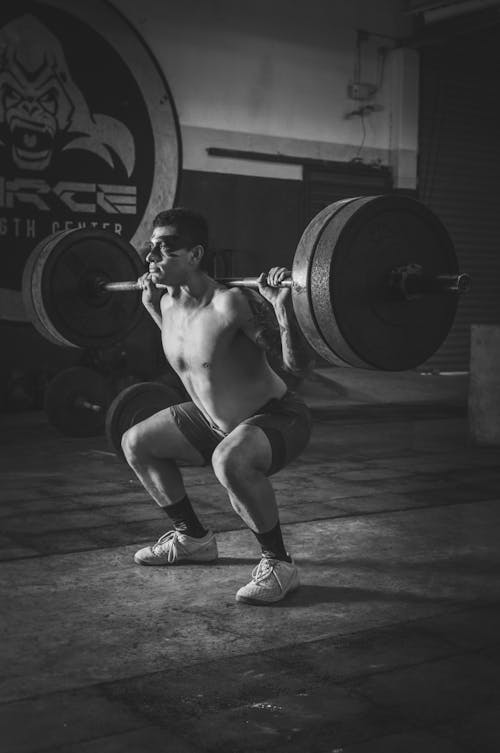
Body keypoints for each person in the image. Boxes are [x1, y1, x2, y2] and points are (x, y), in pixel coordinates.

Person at [122, 207, 314, 604]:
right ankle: (192, 539)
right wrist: (151, 308)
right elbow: (192, 356)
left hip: (277, 417)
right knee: (136, 442)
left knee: (229, 460)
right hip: (213, 421)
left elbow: (299, 368)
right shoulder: (168, 304)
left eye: (165, 248)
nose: (151, 257)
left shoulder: (233, 304)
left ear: (194, 255)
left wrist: (280, 307)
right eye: (151, 248)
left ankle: (279, 563)